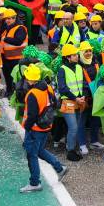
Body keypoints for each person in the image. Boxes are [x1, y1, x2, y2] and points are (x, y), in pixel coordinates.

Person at [20, 64, 69, 193]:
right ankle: (60, 168)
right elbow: (55, 103)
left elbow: (32, 116)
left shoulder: (32, 94)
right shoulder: (47, 88)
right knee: (40, 150)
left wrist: (27, 127)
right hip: (46, 126)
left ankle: (35, 183)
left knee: (32, 155)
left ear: (30, 80)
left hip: (35, 129)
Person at [57, 43, 87, 161]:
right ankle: (70, 150)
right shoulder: (62, 70)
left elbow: (84, 83)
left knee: (76, 126)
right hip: (68, 101)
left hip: (79, 101)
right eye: (74, 55)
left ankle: (73, 147)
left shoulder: (79, 67)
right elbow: (62, 88)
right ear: (67, 57)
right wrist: (76, 98)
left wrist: (84, 96)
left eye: (76, 54)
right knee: (73, 127)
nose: (77, 57)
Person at [0, 8, 28, 95]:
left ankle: (18, 94)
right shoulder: (7, 28)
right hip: (7, 58)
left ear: (14, 18)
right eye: (6, 19)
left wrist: (6, 39)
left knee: (17, 77)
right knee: (8, 77)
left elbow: (18, 41)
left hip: (17, 58)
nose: (7, 20)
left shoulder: (20, 28)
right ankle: (9, 91)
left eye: (9, 18)